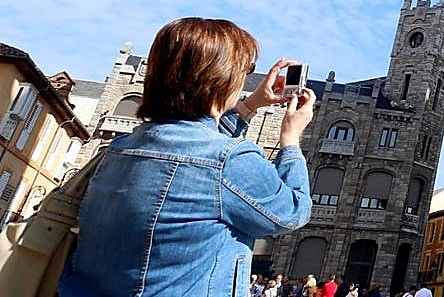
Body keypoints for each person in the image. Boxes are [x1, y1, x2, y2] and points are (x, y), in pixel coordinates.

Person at [59, 17, 316, 297]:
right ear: (222, 76)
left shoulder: (120, 148)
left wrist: (251, 103)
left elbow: (192, 147)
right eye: (246, 69)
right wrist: (290, 140)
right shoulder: (229, 160)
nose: (245, 77)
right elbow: (292, 212)